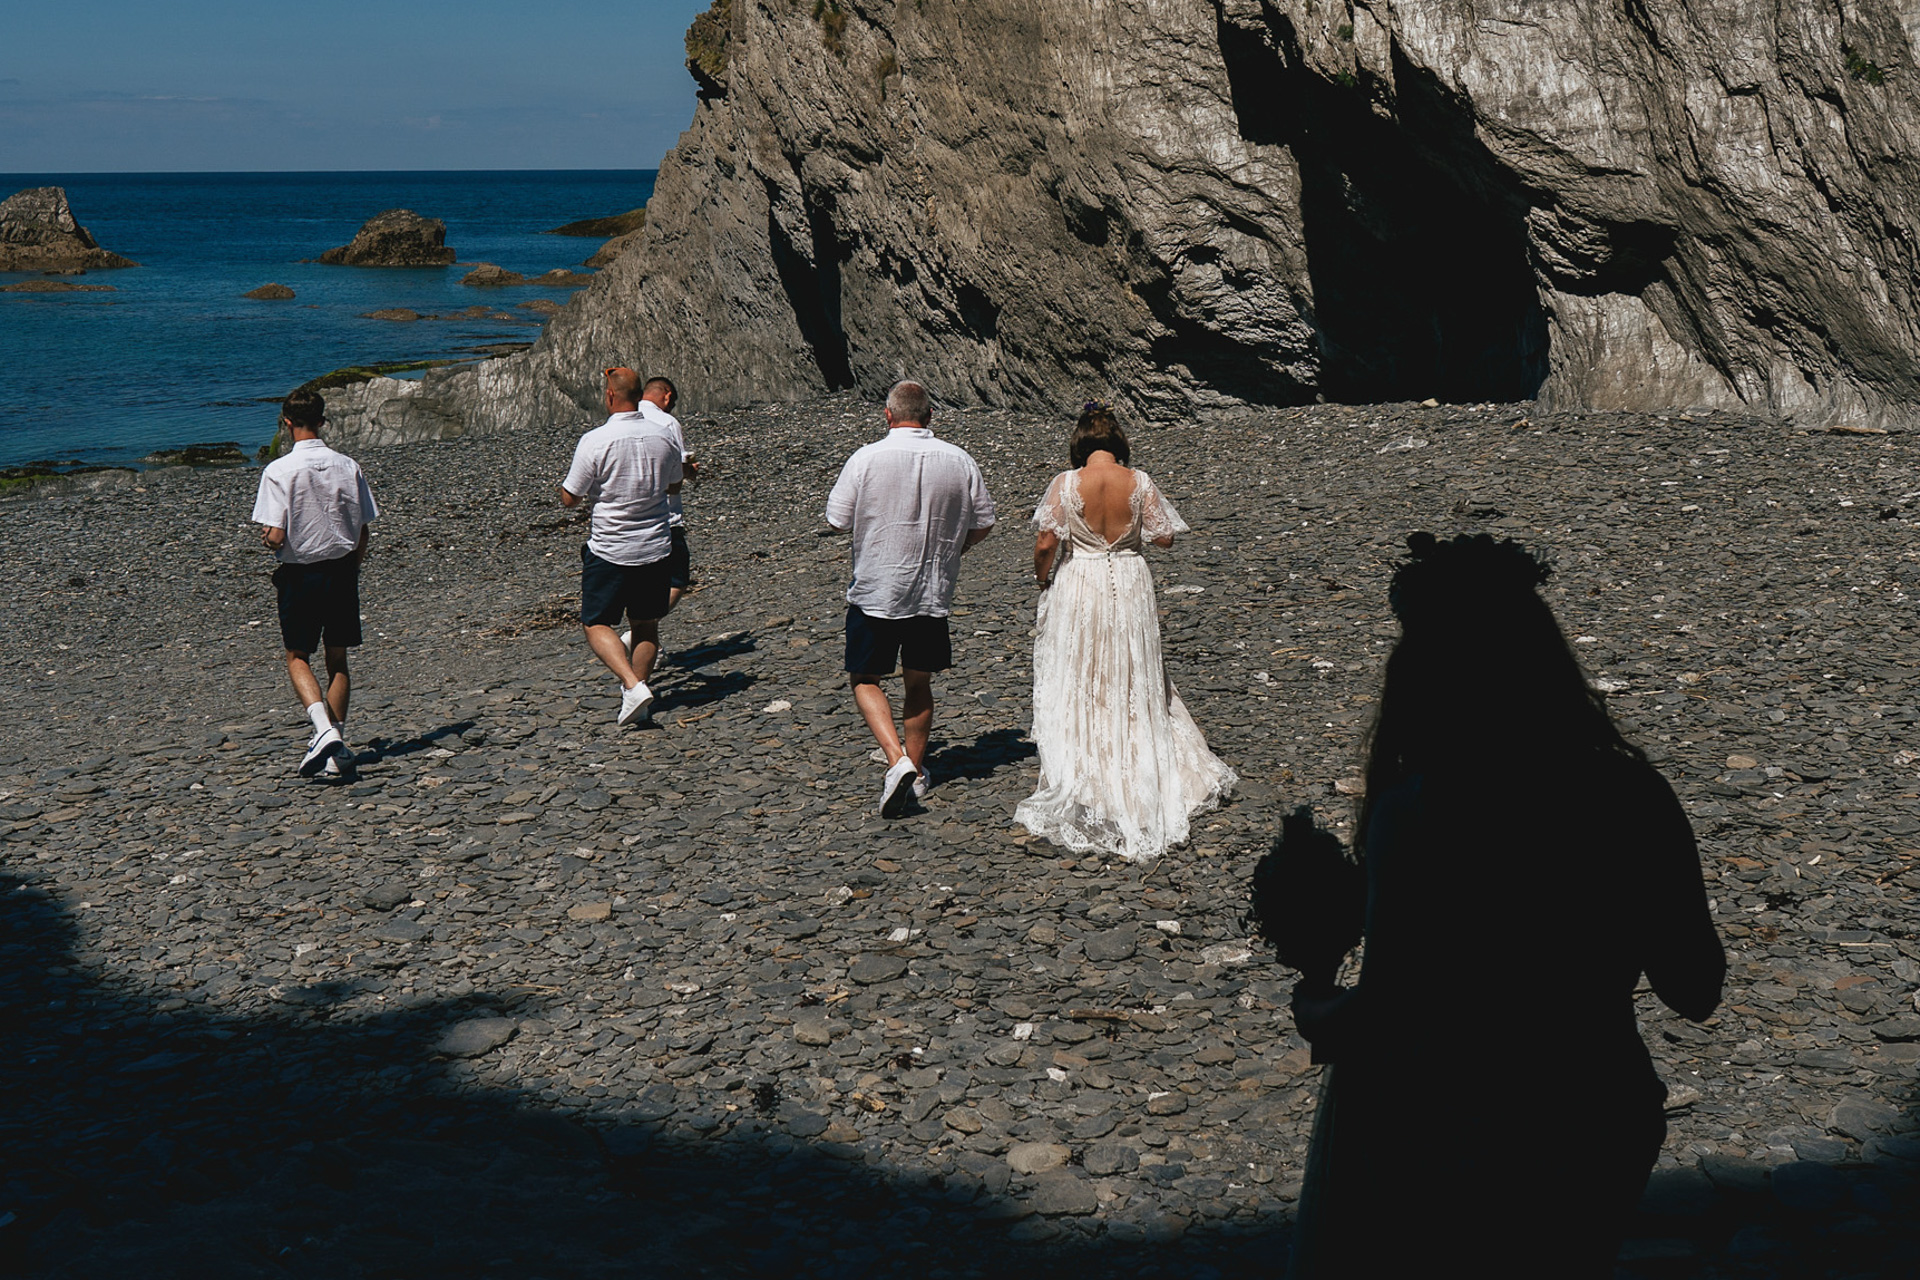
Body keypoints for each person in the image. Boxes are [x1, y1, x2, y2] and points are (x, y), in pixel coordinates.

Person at [1282, 533, 1726, 1279]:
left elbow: (1396, 1007)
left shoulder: (1415, 810)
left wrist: (1318, 1008)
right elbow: (1695, 988)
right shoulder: (1631, 795)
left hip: (1444, 1121)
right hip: (1591, 1109)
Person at [1013, 403, 1235, 861]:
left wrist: (1042, 578)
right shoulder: (1141, 481)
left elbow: (1045, 542)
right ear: (1117, 443)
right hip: (1131, 579)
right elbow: (1165, 537)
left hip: (1082, 580)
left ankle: (1091, 764)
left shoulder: (1065, 483)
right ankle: (1138, 756)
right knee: (1133, 669)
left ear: (1081, 444)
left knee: (1085, 667)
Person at [824, 381, 995, 816]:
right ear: (930, 415)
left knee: (865, 678)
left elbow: (838, 519)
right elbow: (984, 522)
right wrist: (953, 549)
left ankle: (896, 758)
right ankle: (916, 772)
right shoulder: (959, 460)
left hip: (877, 588)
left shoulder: (866, 457)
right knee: (918, 682)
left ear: (888, 414)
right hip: (931, 590)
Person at [251, 388, 379, 777]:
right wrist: (353, 566)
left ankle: (323, 730)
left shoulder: (278, 470)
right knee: (337, 659)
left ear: (287, 422)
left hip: (301, 572)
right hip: (342, 569)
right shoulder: (347, 465)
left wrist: (269, 541)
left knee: (298, 655)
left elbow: (275, 534)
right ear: (322, 420)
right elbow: (363, 527)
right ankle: (337, 748)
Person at [561, 366, 684, 726]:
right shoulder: (664, 435)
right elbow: (674, 486)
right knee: (646, 625)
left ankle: (632, 684)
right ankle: (639, 694)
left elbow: (571, 497)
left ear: (610, 395)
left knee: (596, 621)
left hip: (611, 547)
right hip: (655, 544)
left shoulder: (596, 440)